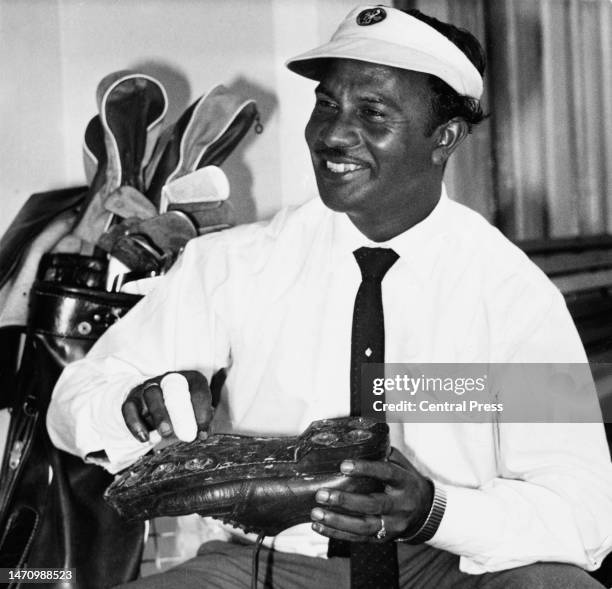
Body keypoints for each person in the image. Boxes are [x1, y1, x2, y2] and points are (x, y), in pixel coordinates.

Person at [47, 5, 612, 588]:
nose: (333, 134)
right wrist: (134, 407)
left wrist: (432, 511)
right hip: (267, 564)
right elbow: (72, 403)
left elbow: (583, 511)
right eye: (327, 104)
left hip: (448, 566)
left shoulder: (508, 294)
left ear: (443, 138)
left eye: (372, 113)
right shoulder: (237, 265)